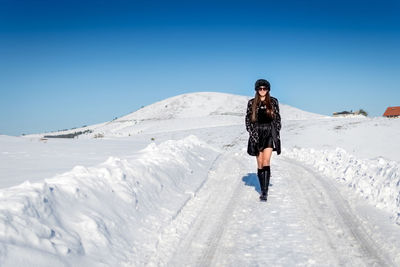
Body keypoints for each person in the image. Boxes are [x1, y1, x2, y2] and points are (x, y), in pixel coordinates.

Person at [245, 79, 281, 201]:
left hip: (269, 133)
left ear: (268, 90)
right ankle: (262, 187)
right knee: (260, 162)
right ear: (256, 90)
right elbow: (248, 120)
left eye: (264, 88)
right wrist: (252, 133)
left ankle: (264, 192)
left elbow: (277, 118)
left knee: (266, 160)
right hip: (257, 134)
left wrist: (276, 131)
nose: (262, 91)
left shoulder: (273, 101)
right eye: (260, 88)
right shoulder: (251, 103)